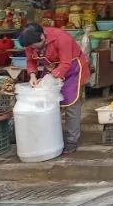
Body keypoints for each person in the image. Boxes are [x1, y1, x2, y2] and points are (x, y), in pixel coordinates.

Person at [19, 23, 90, 155]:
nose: (33, 48)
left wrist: (49, 78)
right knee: (49, 101)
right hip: (51, 68)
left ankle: (72, 139)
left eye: (35, 46)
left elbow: (65, 63)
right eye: (31, 47)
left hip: (72, 69)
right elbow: (30, 61)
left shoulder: (61, 38)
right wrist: (33, 75)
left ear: (42, 36)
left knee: (71, 103)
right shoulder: (30, 42)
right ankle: (52, 136)